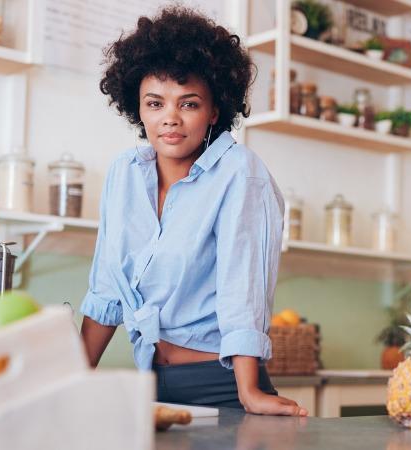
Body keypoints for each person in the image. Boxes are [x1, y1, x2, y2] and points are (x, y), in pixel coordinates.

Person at [80, 6, 306, 416]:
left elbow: (243, 289)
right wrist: (72, 379)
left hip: (222, 386)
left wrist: (249, 392)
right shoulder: (123, 175)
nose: (170, 118)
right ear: (138, 108)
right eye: (155, 103)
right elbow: (107, 291)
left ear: (214, 112)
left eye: (188, 104)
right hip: (152, 388)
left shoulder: (240, 173)